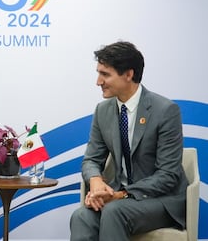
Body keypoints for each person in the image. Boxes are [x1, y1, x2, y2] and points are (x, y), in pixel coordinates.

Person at [69, 41, 188, 240]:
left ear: (128, 74)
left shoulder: (166, 110)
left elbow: (168, 175)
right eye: (98, 73)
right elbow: (91, 160)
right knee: (81, 216)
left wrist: (121, 194)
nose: (98, 81)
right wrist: (96, 183)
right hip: (119, 199)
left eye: (105, 74)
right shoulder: (103, 110)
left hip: (160, 200)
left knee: (115, 211)